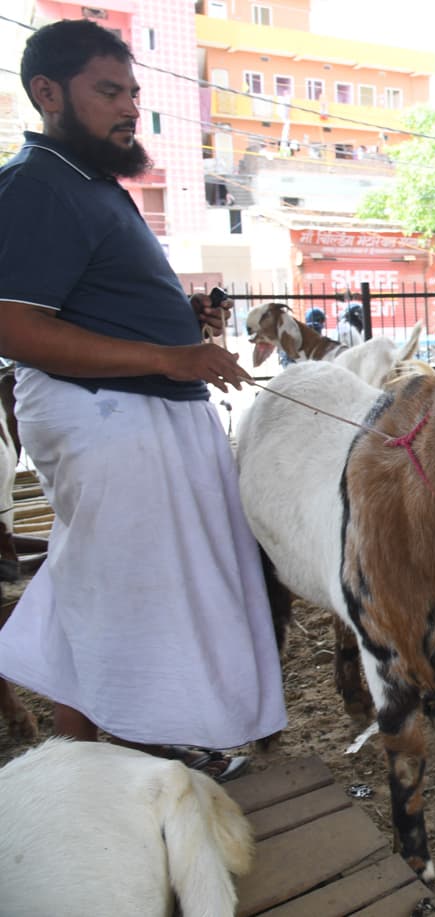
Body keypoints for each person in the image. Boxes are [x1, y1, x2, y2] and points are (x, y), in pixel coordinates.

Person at [0, 20, 287, 780]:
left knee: (96, 588)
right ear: (47, 92)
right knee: (134, 594)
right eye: (109, 91)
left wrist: (183, 329)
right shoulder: (36, 184)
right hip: (106, 415)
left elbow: (88, 304)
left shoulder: (87, 181)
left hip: (133, 410)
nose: (129, 107)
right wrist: (169, 354)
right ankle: (134, 763)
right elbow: (15, 326)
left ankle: (89, 760)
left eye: (133, 92)